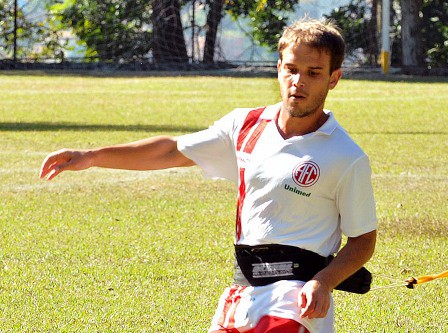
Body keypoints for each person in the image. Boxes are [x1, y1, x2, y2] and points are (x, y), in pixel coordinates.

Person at [40, 19, 377, 333]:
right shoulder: (245, 125)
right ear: (278, 68)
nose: (298, 82)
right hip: (243, 290)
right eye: (291, 69)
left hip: (296, 299)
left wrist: (324, 281)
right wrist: (93, 156)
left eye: (313, 73)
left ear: (334, 78)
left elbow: (363, 240)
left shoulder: (346, 157)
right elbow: (172, 151)